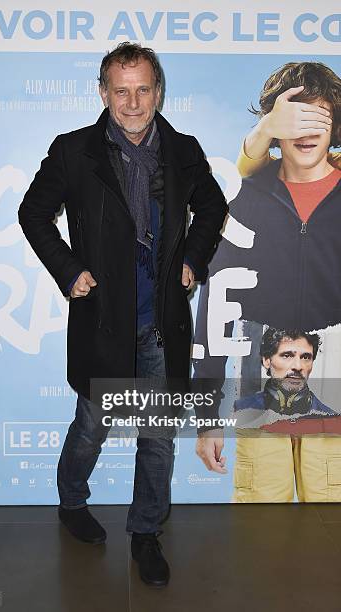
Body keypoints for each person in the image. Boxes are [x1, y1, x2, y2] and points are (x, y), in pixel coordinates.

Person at [18, 42, 227, 586]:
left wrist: (191, 259)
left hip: (162, 321)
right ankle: (71, 502)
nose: (133, 102)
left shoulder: (182, 149)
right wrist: (69, 271)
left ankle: (146, 534)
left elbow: (213, 206)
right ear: (103, 92)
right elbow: (33, 212)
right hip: (104, 321)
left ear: (158, 91)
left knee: (156, 436)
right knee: (92, 426)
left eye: (143, 89)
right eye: (121, 90)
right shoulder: (74, 151)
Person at [194, 61, 341, 475]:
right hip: (260, 399)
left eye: (319, 118)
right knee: (263, 533)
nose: (307, 132)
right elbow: (214, 308)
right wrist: (208, 419)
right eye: (294, 119)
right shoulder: (244, 201)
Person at [233, 328, 341, 502]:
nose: (298, 366)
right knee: (262, 512)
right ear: (267, 360)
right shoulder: (246, 410)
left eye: (305, 357)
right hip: (259, 426)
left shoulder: (331, 415)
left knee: (327, 506)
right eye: (287, 355)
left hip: (326, 428)